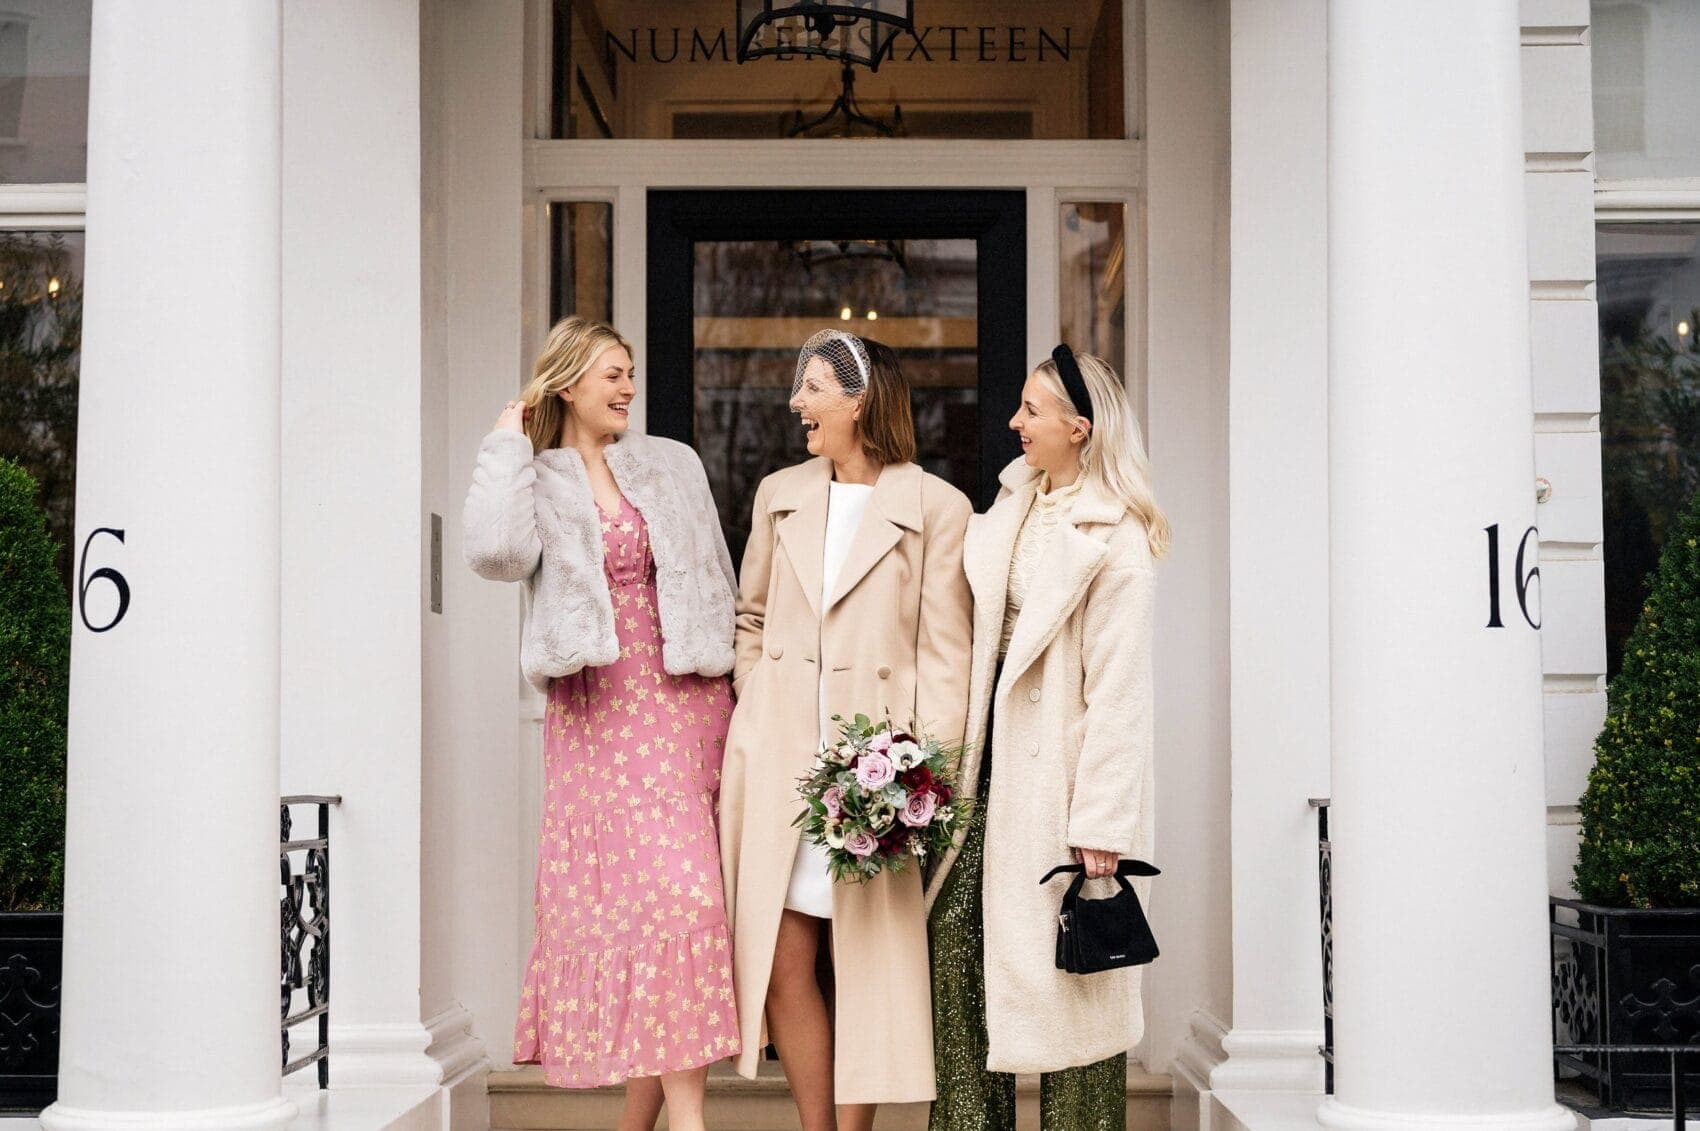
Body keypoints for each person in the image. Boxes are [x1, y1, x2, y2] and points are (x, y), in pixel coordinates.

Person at [462, 316, 740, 1131]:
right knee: (641, 912)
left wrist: (735, 687)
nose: (626, 387)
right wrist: (506, 445)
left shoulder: (671, 464)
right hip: (598, 720)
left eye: (629, 373)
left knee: (686, 907)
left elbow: (715, 573)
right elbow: (495, 554)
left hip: (684, 707)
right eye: (612, 373)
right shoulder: (536, 476)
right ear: (569, 381)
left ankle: (654, 1122)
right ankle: (685, 1122)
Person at [718, 331, 973, 1131]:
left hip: (876, 780)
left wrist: (921, 779)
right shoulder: (778, 493)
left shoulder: (936, 507)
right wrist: (757, 692)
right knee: (783, 961)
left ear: (857, 402)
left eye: (814, 386)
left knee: (863, 967)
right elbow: (751, 614)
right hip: (782, 767)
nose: (798, 402)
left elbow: (945, 656)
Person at [925, 344, 1169, 1131]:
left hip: (1062, 787)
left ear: (1080, 427)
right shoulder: (1012, 505)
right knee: (956, 949)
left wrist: (1101, 824)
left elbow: (1120, 694)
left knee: (1081, 984)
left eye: (1032, 409)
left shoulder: (1119, 536)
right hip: (986, 776)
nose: (1014, 421)